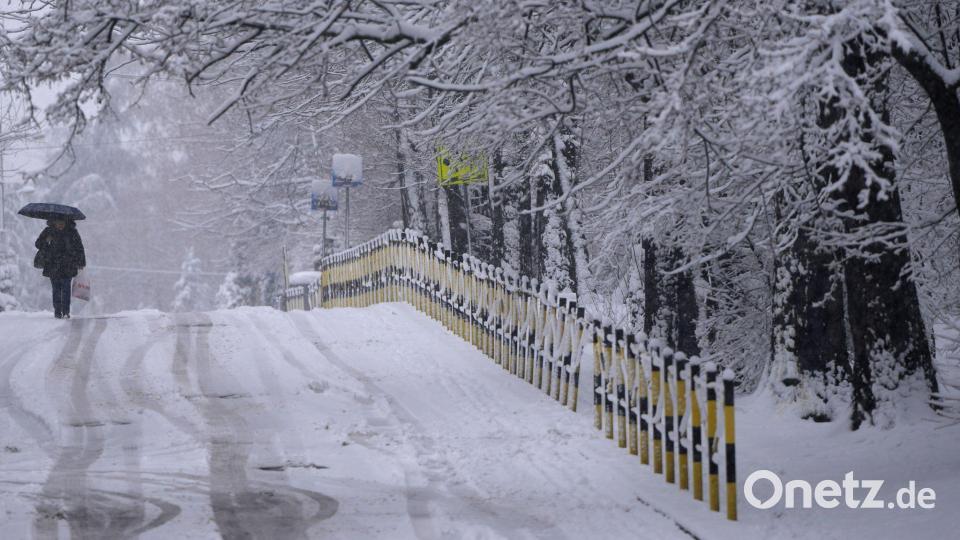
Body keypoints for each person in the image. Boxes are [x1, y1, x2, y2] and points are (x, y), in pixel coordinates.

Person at [35, 219, 86, 319]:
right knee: (56, 290)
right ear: (54, 222)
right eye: (58, 223)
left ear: (66, 222)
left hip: (68, 265)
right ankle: (58, 311)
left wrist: (81, 262)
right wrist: (46, 241)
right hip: (53, 265)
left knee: (66, 289)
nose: (60, 225)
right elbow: (38, 244)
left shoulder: (72, 232)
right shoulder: (48, 231)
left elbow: (79, 247)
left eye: (62, 223)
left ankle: (66, 311)